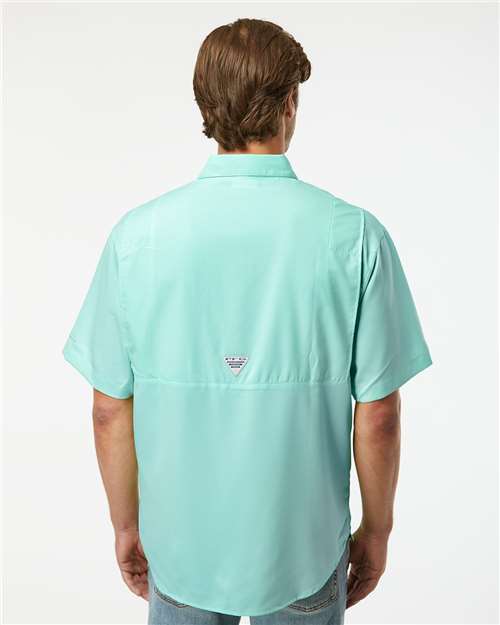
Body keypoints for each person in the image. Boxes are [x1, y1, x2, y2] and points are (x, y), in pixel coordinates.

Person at [62, 17, 432, 625]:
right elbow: (380, 414)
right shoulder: (356, 236)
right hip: (304, 551)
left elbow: (109, 409)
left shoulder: (137, 237)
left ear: (205, 107)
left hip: (179, 550)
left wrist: (126, 526)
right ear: (289, 104)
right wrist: (378, 530)